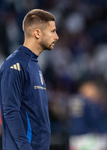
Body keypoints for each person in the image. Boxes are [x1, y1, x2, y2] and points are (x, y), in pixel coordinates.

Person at [0, 9, 59, 150]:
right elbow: (10, 111)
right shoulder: (14, 65)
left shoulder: (34, 65)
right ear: (37, 33)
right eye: (52, 31)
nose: (56, 36)